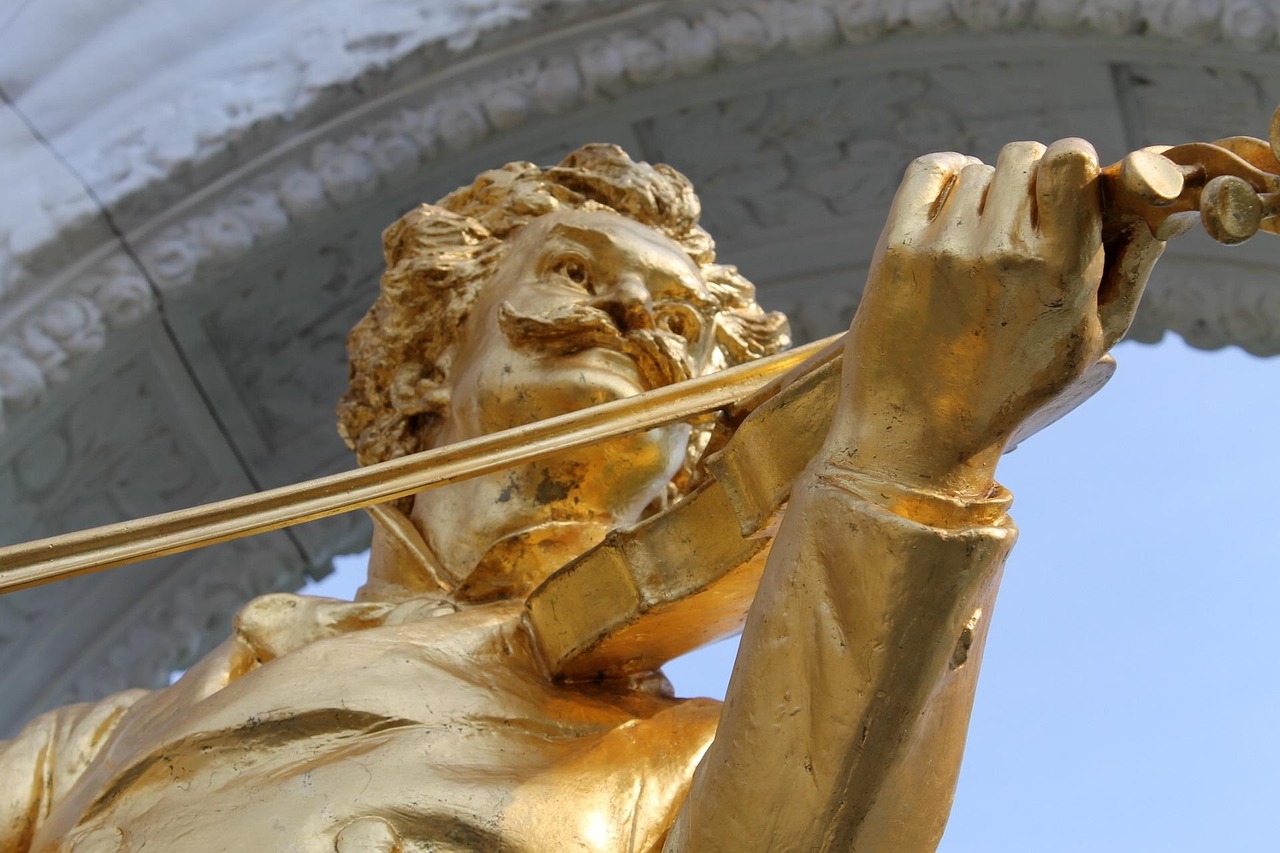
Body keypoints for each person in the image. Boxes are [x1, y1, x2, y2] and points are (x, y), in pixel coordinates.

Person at [0, 141, 1162, 852]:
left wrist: (916, 445)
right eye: (575, 279)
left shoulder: (694, 755)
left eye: (680, 336)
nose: (641, 324)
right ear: (420, 362)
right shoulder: (84, 745)